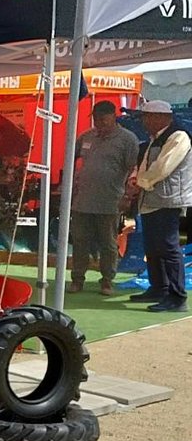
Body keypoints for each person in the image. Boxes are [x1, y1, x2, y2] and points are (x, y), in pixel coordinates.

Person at [68, 101, 140, 296]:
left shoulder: (127, 139)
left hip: (110, 200)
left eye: (103, 120)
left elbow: (133, 169)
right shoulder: (87, 136)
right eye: (96, 119)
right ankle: (77, 279)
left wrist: (128, 196)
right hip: (82, 200)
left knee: (107, 243)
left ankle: (107, 280)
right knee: (80, 241)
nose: (99, 123)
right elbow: (71, 158)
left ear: (114, 117)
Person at [131, 100, 191, 312]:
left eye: (146, 117)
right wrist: (138, 181)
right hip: (153, 200)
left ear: (161, 117)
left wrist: (140, 182)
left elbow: (163, 167)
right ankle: (159, 288)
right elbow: (148, 166)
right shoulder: (155, 139)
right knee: (153, 247)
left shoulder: (178, 136)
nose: (143, 121)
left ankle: (177, 297)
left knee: (168, 247)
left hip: (169, 200)